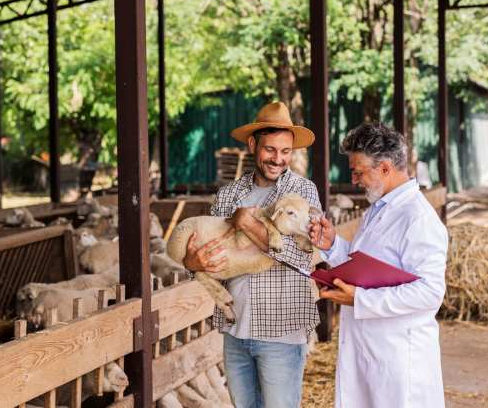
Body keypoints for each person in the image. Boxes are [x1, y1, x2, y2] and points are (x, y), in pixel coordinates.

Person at [182, 101, 322, 408]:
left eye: (285, 151)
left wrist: (247, 223)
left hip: (281, 332)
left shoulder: (303, 193)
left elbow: (302, 258)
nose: (278, 159)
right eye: (270, 149)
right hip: (236, 331)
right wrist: (192, 264)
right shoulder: (228, 195)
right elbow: (211, 253)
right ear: (252, 145)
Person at [309, 123, 448, 408]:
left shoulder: (418, 218)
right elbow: (365, 267)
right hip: (372, 352)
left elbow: (430, 292)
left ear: (385, 168)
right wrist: (333, 245)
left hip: (399, 358)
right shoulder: (378, 208)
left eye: (358, 171)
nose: (354, 179)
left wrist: (360, 299)